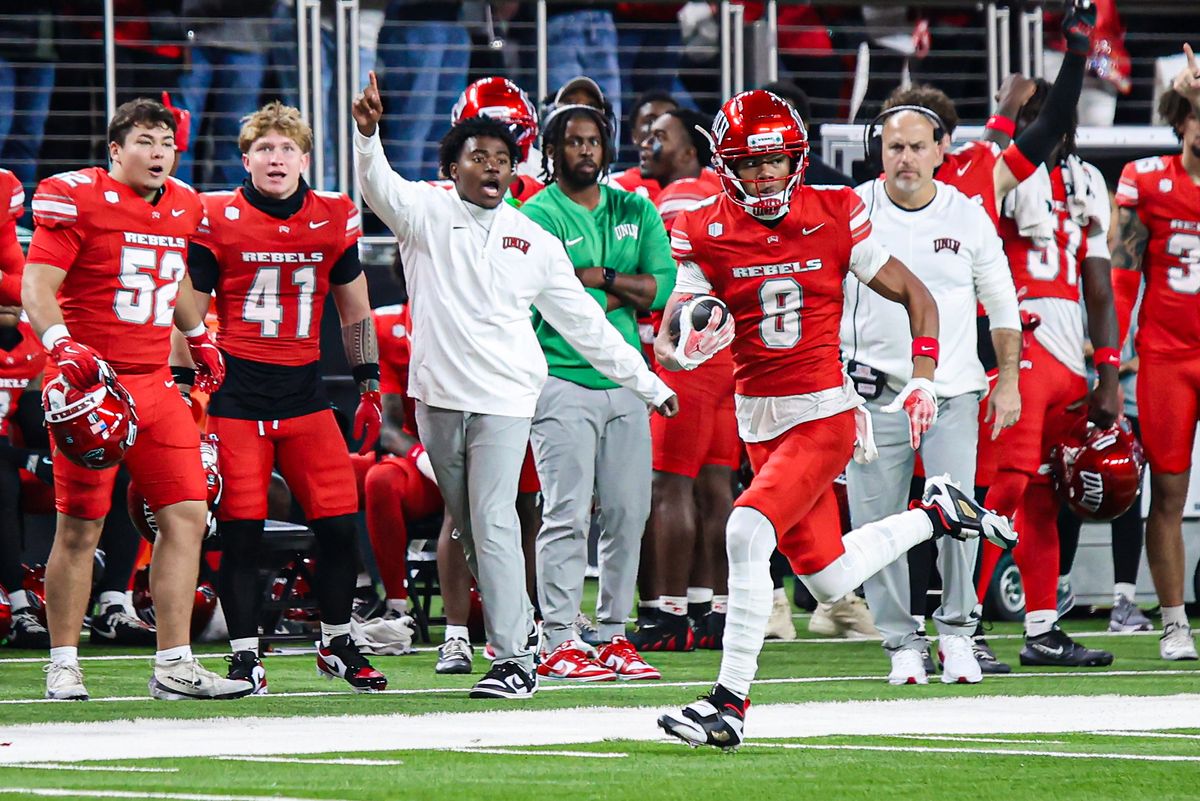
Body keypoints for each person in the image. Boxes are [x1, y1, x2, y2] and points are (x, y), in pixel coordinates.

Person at [655, 90, 1016, 751]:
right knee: (828, 576)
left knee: (745, 527)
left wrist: (926, 377)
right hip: (758, 423)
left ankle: (728, 702)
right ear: (725, 163)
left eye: (777, 163)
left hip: (824, 414)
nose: (766, 178)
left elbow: (918, 294)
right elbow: (672, 334)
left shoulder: (833, 211)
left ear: (797, 159)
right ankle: (937, 515)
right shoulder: (702, 226)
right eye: (751, 165)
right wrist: (686, 335)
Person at [353, 71, 677, 699]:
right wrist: (368, 135)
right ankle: (523, 633)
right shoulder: (423, 212)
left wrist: (644, 383)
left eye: (503, 159)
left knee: (496, 520)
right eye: (479, 157)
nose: (494, 168)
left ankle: (512, 658)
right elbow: (377, 186)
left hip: (507, 401)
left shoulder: (534, 238)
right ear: (452, 167)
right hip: (438, 399)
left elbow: (586, 324)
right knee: (472, 527)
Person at [23, 97, 249, 701]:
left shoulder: (182, 204)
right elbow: (36, 284)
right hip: (88, 383)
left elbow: (170, 271)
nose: (158, 153)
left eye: (166, 143)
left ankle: (174, 663)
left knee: (188, 514)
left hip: (152, 381)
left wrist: (198, 336)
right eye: (145, 141)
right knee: (79, 528)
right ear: (115, 150)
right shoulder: (78, 198)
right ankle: (63, 662)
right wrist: (60, 344)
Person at [180, 101, 387, 693]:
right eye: (265, 148)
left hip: (305, 396)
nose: (276, 158)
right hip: (237, 396)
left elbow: (354, 309)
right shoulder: (216, 215)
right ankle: (245, 653)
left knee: (341, 528)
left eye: (287, 148)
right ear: (246, 159)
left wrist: (368, 378)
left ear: (305, 158)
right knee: (240, 534)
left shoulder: (333, 214)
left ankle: (338, 641)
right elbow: (183, 303)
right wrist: (185, 380)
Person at [843, 106, 1021, 686]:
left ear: (941, 149)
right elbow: (831, 301)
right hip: (876, 390)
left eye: (918, 147)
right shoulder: (855, 209)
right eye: (896, 148)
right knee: (879, 523)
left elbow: (1001, 303)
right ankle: (899, 642)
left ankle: (958, 635)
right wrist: (841, 380)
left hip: (952, 391)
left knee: (960, 516)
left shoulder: (967, 215)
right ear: (880, 152)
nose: (907, 159)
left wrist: (1011, 380)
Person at [518, 103, 676, 681]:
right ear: (552, 151)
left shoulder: (636, 206)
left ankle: (611, 634)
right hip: (560, 379)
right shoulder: (536, 213)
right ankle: (558, 636)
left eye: (593, 141)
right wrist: (617, 289)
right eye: (573, 142)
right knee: (565, 515)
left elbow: (661, 288)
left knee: (628, 513)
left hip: (627, 381)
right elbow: (554, 304)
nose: (585, 150)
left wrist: (596, 278)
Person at [972, 71, 1122, 671]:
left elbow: (1101, 287)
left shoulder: (1086, 179)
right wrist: (1005, 109)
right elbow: (979, 171)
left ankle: (1042, 627)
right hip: (1019, 340)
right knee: (1002, 489)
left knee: (1042, 495)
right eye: (1033, 113)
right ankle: (964, 624)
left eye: (1052, 111)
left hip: (1067, 352)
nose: (1048, 120)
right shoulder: (998, 171)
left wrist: (1107, 371)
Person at [627, 108, 734, 652]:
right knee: (715, 488)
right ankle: (709, 611)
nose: (647, 143)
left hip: (690, 350)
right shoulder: (728, 189)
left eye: (660, 136)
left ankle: (668, 618)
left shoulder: (684, 192)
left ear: (691, 149)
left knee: (668, 486)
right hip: (729, 353)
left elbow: (671, 277)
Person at [1111, 45, 1200, 661]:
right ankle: (1173, 622)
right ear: (1182, 119)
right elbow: (1123, 276)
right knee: (1166, 493)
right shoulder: (1146, 179)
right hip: (1168, 355)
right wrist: (1108, 361)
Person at [613, 90, 680, 199]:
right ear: (634, 135)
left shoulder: (713, 179)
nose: (659, 127)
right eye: (650, 121)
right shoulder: (615, 188)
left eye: (668, 121)